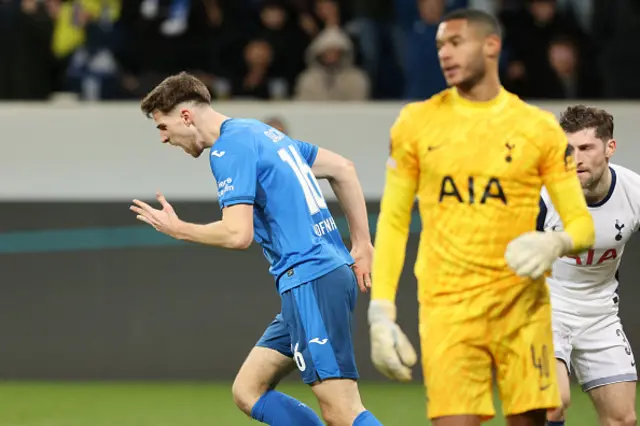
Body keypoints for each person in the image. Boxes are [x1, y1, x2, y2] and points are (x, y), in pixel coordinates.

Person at [366, 8, 595, 426]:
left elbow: (581, 224)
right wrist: (380, 310)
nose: (445, 54)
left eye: (456, 43)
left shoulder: (538, 129)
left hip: (521, 307)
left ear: (491, 45)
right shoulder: (415, 124)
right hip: (447, 308)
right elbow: (395, 221)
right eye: (439, 46)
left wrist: (554, 241)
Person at [129, 72, 381, 426]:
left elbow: (237, 234)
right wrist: (361, 244)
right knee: (249, 390)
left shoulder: (228, 149)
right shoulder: (261, 133)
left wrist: (179, 229)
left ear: (186, 116)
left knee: (342, 411)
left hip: (311, 278)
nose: (163, 137)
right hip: (320, 274)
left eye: (162, 126)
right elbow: (343, 168)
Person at [539, 105, 639, 426]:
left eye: (586, 148)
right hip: (545, 307)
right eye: (568, 149)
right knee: (553, 403)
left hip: (600, 314)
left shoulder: (633, 192)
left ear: (610, 147)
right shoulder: (542, 195)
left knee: (622, 418)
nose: (576, 158)